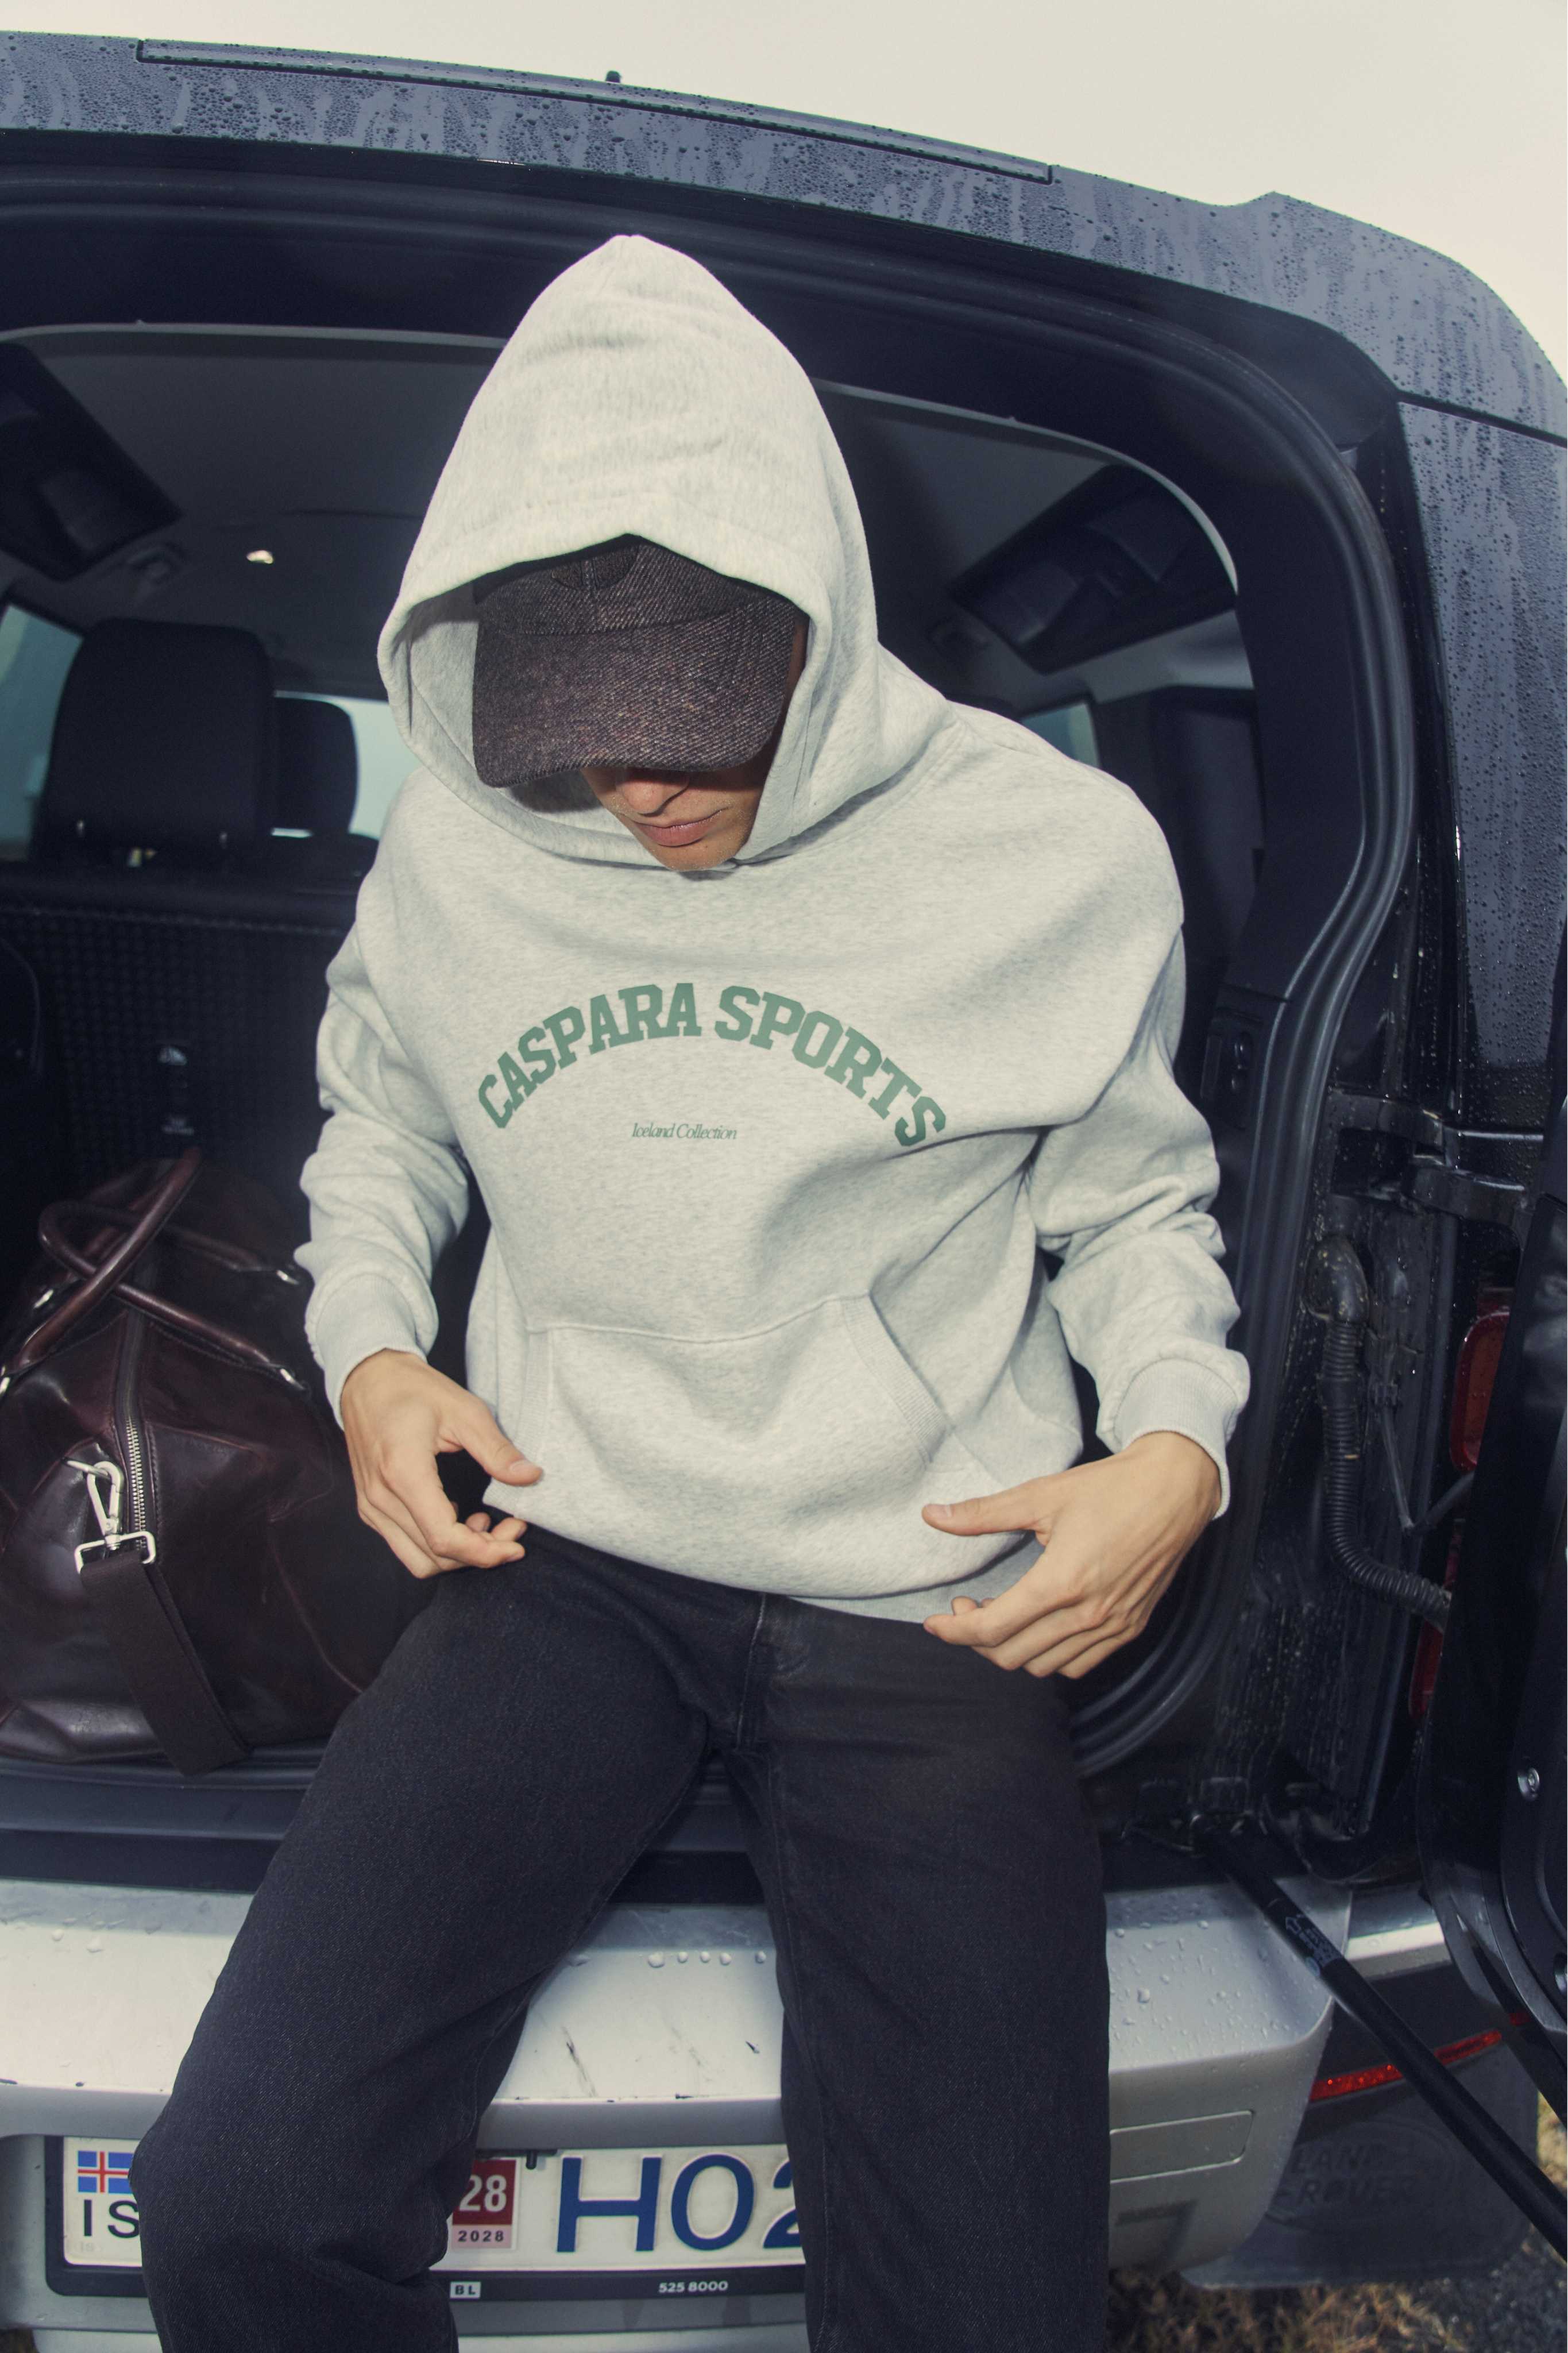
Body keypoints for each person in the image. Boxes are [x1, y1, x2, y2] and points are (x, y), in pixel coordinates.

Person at [132, 234, 1249, 2352]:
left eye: (692, 740)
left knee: (986, 2312)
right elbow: (381, 1125)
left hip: (928, 1585)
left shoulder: (1057, 854)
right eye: (575, 750)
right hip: (571, 1556)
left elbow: (1131, 1205)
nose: (635, 799)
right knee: (242, 2202)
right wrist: (370, 1357)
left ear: (815, 639)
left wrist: (1172, 1452)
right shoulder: (458, 846)